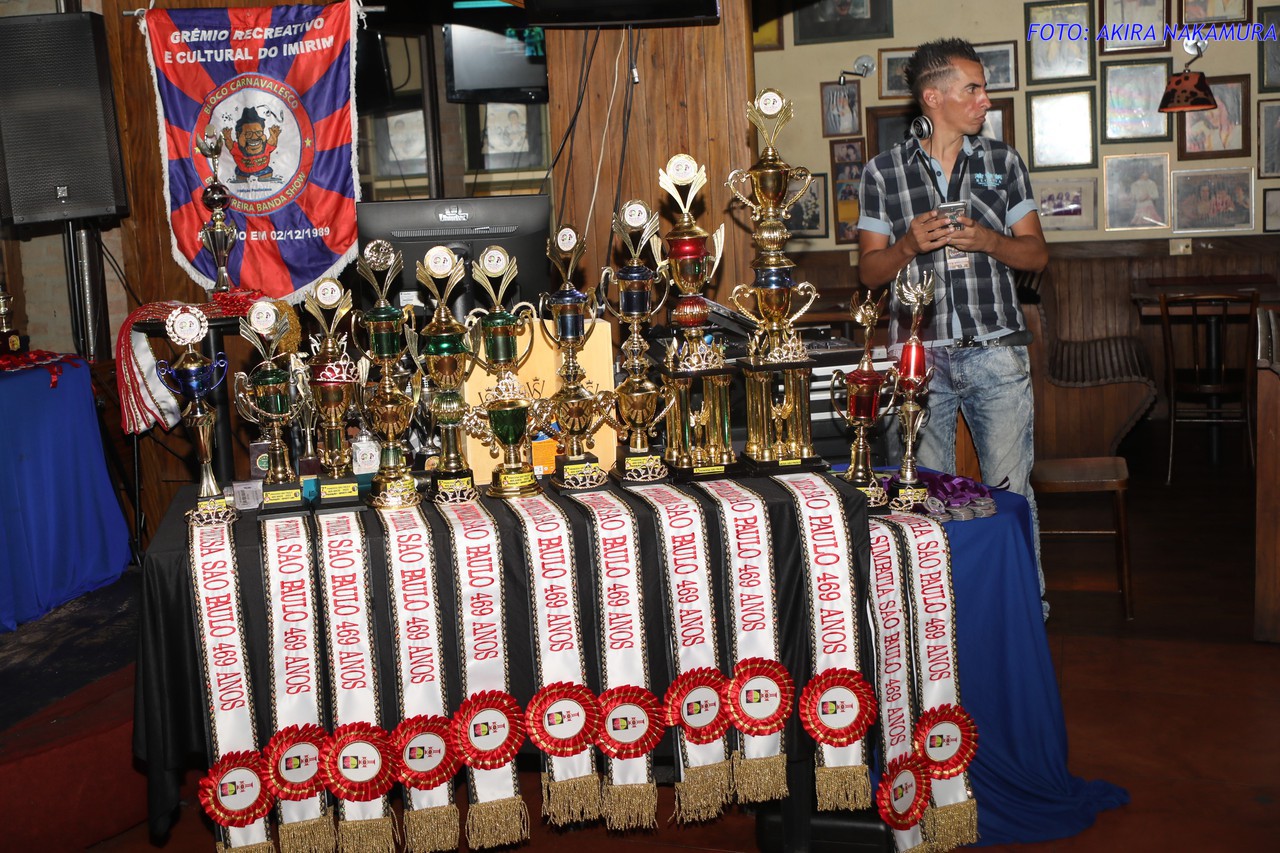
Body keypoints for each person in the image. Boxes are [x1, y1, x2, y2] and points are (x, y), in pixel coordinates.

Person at [857, 38, 1050, 612]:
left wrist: (989, 240)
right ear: (933, 97)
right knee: (920, 495)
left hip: (996, 351)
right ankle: (932, 615)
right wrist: (907, 245)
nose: (985, 99)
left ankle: (1025, 610)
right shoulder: (882, 172)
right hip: (919, 364)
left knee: (1010, 493)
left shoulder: (1003, 162)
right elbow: (869, 273)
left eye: (983, 89)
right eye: (973, 89)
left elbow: (1037, 255)